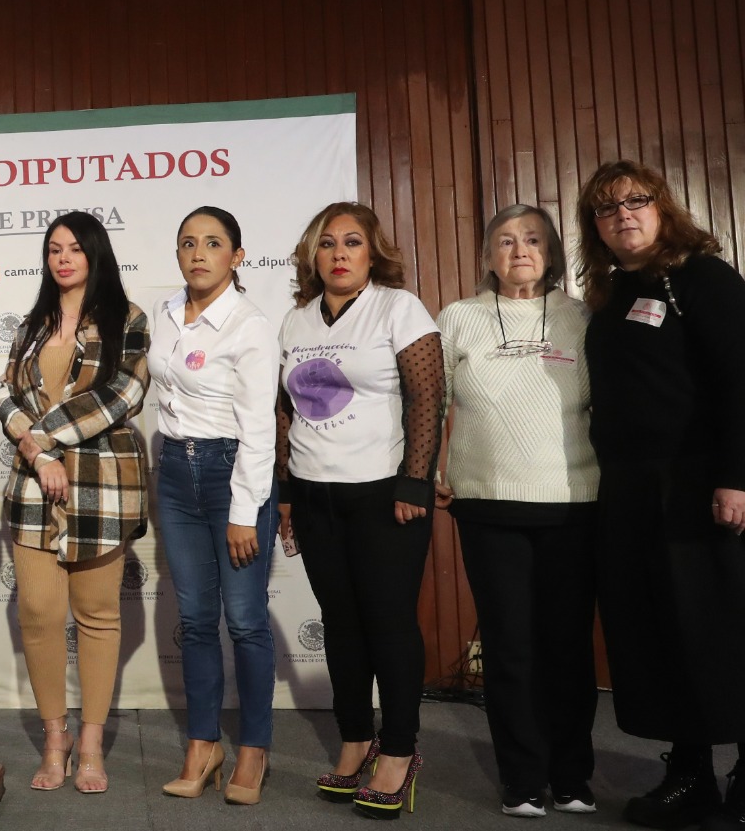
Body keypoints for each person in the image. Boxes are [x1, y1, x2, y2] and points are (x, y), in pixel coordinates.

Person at [576, 160, 745, 831]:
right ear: (595, 226)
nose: (623, 215)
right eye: (607, 208)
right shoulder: (614, 292)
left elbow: (740, 380)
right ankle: (691, 774)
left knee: (720, 629)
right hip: (631, 489)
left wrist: (736, 475)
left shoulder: (703, 278)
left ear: (662, 207)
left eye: (635, 201)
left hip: (700, 484)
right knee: (662, 633)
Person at [275, 201, 443, 819]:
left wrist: (415, 482)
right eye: (327, 243)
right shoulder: (295, 321)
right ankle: (354, 740)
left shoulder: (398, 307)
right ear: (312, 256)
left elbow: (428, 396)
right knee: (341, 624)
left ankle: (398, 750)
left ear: (373, 252)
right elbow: (285, 412)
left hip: (384, 495)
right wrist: (287, 492)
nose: (339, 253)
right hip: (314, 495)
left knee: (388, 623)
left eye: (351, 242)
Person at [434, 205, 599, 817]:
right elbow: (431, 398)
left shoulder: (581, 316)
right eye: (505, 241)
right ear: (487, 255)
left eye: (532, 239)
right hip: (487, 503)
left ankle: (572, 776)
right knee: (509, 647)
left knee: (567, 646)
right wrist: (428, 470)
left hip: (572, 501)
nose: (520, 250)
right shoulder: (459, 317)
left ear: (550, 252)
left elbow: (606, 402)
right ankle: (523, 779)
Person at [0, 211, 150, 795]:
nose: (63, 259)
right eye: (54, 249)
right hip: (34, 485)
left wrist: (44, 439)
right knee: (38, 614)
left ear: (95, 254)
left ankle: (90, 743)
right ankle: (54, 738)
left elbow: (124, 393)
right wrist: (38, 456)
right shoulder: (31, 325)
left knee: (97, 614)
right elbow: (6, 394)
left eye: (75, 249)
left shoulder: (126, 318)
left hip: (103, 486)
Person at [148, 207, 280, 804]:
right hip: (177, 473)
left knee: (246, 620)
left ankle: (253, 749)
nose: (198, 253)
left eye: (212, 243)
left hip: (233, 474)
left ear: (237, 256)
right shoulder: (165, 312)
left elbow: (260, 428)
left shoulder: (249, 325)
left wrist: (244, 511)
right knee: (197, 620)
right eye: (187, 243)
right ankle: (203, 746)